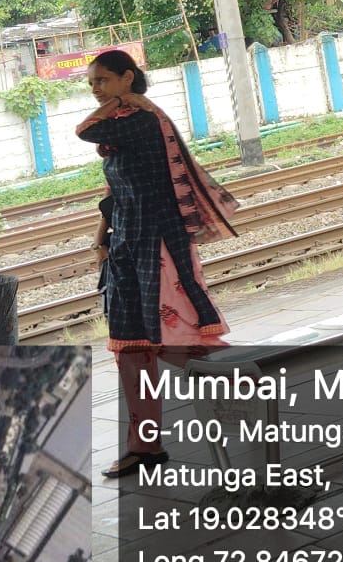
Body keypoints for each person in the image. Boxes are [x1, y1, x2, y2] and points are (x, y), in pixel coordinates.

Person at [79, 49, 241, 477]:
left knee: (171, 335)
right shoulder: (123, 127)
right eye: (92, 84)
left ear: (126, 78)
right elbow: (116, 193)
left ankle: (240, 382)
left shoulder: (143, 121)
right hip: (127, 245)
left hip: (160, 243)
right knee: (131, 345)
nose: (95, 91)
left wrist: (132, 102)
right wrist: (100, 241)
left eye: (102, 81)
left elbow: (84, 130)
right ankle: (144, 446)